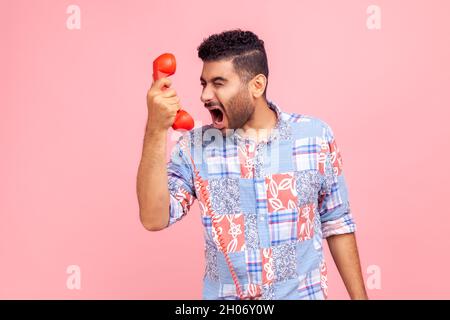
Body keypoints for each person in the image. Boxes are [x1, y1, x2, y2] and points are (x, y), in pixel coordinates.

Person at [137, 29, 368, 300]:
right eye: (203, 84)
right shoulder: (194, 147)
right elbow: (153, 218)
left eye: (219, 83)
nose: (204, 96)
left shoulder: (315, 137)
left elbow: (336, 223)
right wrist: (156, 129)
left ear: (257, 85)